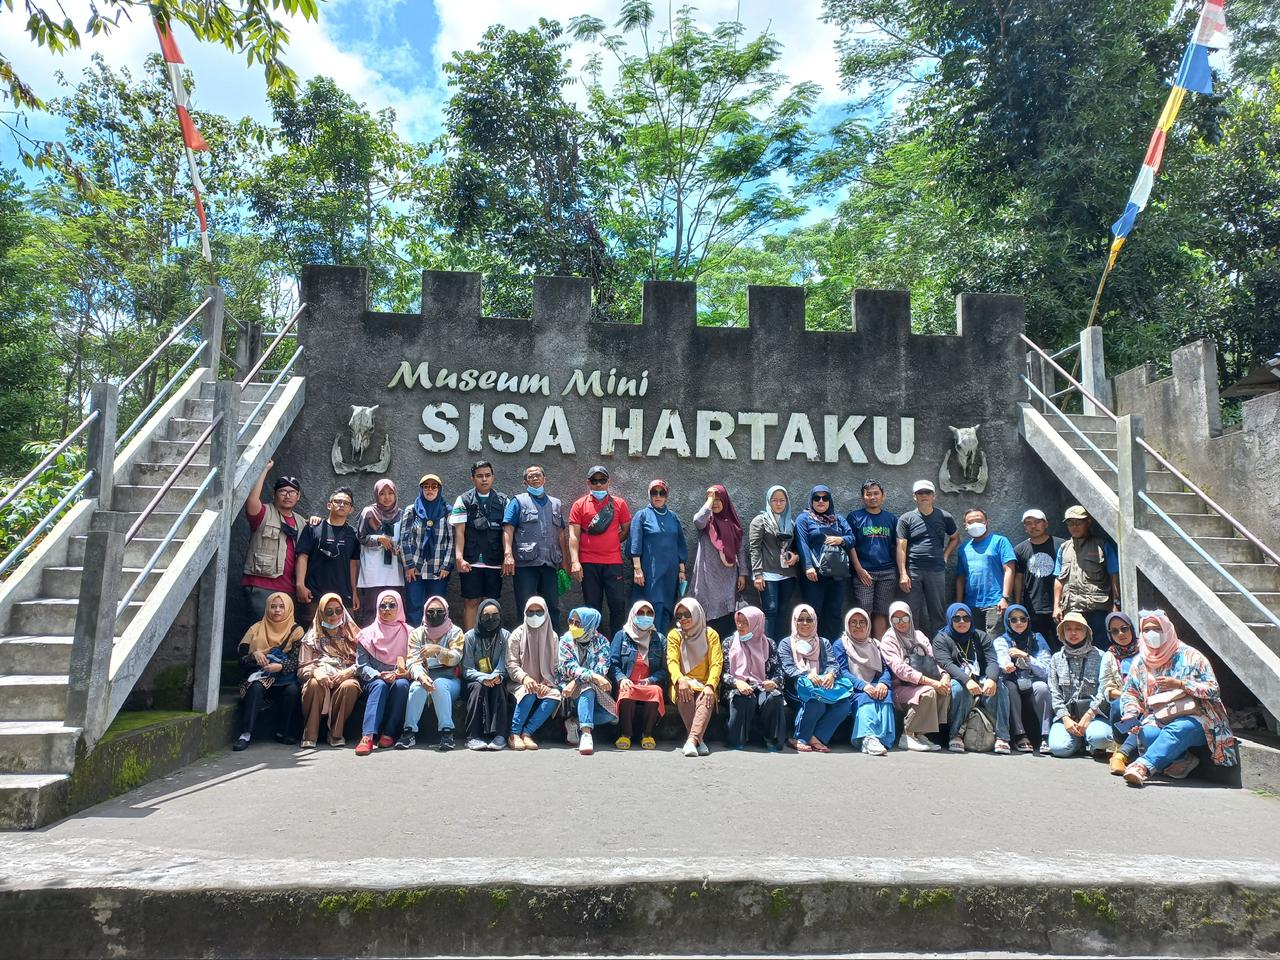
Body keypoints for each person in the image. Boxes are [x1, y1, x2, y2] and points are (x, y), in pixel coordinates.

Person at [1119, 610, 1238, 787]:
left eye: (1157, 629)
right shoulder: (1140, 661)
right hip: (1159, 716)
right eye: (1146, 630)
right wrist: (1130, 714)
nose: (1151, 634)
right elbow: (1130, 693)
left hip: (1198, 717)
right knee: (1146, 733)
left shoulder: (1191, 656)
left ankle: (1142, 766)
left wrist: (1181, 684)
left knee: (1178, 728)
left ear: (1167, 629)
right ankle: (1182, 761)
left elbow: (1213, 690)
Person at [932, 602, 1011, 754]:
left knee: (999, 686)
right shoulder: (941, 638)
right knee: (957, 688)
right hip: (958, 678)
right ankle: (955, 735)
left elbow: (992, 661)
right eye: (956, 618)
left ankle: (1003, 736)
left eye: (966, 618)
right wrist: (967, 680)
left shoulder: (980, 636)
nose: (962, 622)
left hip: (980, 678)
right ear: (949, 619)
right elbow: (947, 664)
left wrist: (992, 679)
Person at [232, 591, 304, 750]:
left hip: (283, 677)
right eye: (273, 606)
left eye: (281, 607)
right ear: (267, 609)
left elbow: (298, 659)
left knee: (292, 691)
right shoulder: (256, 628)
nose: (277, 610)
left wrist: (280, 666)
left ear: (289, 609)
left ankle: (283, 732)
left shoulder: (296, 630)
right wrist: (254, 655)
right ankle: (246, 733)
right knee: (256, 687)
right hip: (260, 676)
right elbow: (241, 658)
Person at [778, 604, 853, 753]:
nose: (805, 623)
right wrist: (807, 674)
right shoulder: (786, 643)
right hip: (796, 688)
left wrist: (831, 675)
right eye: (800, 619)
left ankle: (817, 737)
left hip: (823, 686)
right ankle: (799, 738)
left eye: (809, 620)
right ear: (794, 621)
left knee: (844, 704)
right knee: (815, 702)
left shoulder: (823, 643)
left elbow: (833, 663)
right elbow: (787, 668)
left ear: (815, 621)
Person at [503, 464, 568, 633]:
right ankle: (523, 647)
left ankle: (554, 648)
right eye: (530, 476)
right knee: (526, 607)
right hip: (525, 566)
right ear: (525, 482)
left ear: (544, 479)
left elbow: (561, 534)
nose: (535, 478)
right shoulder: (517, 501)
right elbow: (508, 529)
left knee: (552, 607)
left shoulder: (556, 503)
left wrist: (565, 561)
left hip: (550, 565)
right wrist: (508, 555)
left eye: (538, 475)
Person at [568, 465, 631, 638]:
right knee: (592, 607)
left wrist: (610, 542)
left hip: (613, 563)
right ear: (588, 483)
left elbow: (626, 529)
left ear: (608, 482)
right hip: (588, 564)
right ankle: (596, 644)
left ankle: (617, 644)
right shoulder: (579, 505)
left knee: (617, 604)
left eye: (602, 480)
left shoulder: (619, 504)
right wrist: (575, 561)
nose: (599, 485)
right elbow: (573, 535)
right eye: (594, 481)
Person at [880, 601, 951, 751]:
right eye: (896, 619)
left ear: (911, 617)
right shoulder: (889, 639)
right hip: (900, 687)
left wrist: (944, 676)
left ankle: (920, 734)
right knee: (929, 692)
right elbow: (900, 669)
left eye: (905, 618)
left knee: (945, 691)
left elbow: (933, 659)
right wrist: (932, 682)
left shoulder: (919, 635)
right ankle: (908, 733)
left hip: (925, 682)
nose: (901, 623)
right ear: (891, 621)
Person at [400, 595, 465, 751]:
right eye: (430, 611)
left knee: (439, 685)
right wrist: (421, 677)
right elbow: (412, 661)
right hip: (425, 674)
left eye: (439, 611)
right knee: (416, 687)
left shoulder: (455, 632)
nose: (434, 615)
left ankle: (447, 733)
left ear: (446, 612)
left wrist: (438, 651)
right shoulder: (417, 634)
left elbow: (456, 658)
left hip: (449, 678)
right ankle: (408, 733)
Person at [451, 461, 510, 630]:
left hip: (494, 560)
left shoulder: (503, 500)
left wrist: (507, 556)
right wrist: (459, 558)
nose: (484, 479)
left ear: (493, 477)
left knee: (491, 603)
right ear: (472, 479)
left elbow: (507, 531)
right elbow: (460, 532)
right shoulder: (463, 500)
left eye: (487, 475)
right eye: (479, 476)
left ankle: (489, 641)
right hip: (471, 561)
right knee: (471, 601)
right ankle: (470, 642)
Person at [297, 592, 361, 749]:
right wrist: (315, 672)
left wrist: (350, 671)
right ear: (321, 613)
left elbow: (363, 662)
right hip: (320, 676)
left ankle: (335, 733)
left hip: (344, 675)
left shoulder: (354, 634)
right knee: (313, 684)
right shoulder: (311, 637)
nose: (335, 615)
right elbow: (302, 666)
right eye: (329, 611)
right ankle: (310, 734)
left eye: (338, 610)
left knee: (350, 686)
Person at [1045, 612, 1113, 759]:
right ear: (1062, 633)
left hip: (1095, 716)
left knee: (1100, 738)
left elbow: (1104, 689)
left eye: (1078, 628)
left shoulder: (1101, 656)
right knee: (1059, 748)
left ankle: (1092, 740)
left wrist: (1090, 714)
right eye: (1068, 629)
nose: (1073, 633)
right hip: (1068, 718)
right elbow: (1054, 691)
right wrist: (1065, 718)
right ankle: (1079, 742)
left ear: (1086, 632)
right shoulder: (1056, 659)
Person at [895, 480, 958, 637]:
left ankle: (939, 647)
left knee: (937, 612)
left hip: (936, 570)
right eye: (920, 493)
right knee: (911, 611)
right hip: (913, 570)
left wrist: (945, 555)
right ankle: (913, 648)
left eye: (927, 492)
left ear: (934, 496)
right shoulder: (906, 519)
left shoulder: (945, 516)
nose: (924, 496)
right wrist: (903, 573)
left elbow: (955, 537)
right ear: (914, 496)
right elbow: (901, 547)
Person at [720, 605, 787, 752]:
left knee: (774, 698)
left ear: (756, 623)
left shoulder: (768, 644)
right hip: (736, 687)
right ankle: (735, 739)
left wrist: (773, 683)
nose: (740, 626)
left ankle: (772, 739)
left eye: (746, 622)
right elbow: (723, 674)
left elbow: (779, 674)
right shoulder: (729, 642)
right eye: (738, 621)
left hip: (761, 686)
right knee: (742, 697)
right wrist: (737, 682)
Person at [241, 459, 301, 623]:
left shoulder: (302, 522)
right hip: (261, 585)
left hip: (288, 589)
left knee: (281, 637)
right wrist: (264, 470)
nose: (287, 495)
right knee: (260, 632)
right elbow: (252, 500)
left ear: (298, 496)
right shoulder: (264, 513)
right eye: (282, 491)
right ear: (275, 494)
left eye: (292, 492)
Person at [793, 485, 855, 642]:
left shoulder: (838, 518)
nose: (821, 501)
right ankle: (812, 648)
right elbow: (802, 543)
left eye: (825, 498)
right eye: (817, 498)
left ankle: (831, 648)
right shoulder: (804, 518)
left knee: (834, 612)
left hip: (838, 575)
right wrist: (807, 566)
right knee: (813, 613)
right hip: (815, 575)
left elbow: (852, 538)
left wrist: (841, 539)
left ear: (830, 500)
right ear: (811, 500)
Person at [353, 590, 411, 756]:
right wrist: (379, 674)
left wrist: (402, 673)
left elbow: (414, 662)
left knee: (402, 685)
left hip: (398, 677)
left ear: (399, 607)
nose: (386, 609)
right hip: (373, 680)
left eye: (392, 605)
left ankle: (389, 733)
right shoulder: (366, 634)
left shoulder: (410, 633)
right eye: (382, 605)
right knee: (379, 686)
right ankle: (368, 736)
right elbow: (361, 666)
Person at [1053, 505, 1119, 647]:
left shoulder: (1102, 545)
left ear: (1088, 522)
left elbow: (1114, 574)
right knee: (1074, 648)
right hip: (1072, 610)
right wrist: (1056, 606)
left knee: (1100, 647)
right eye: (1070, 523)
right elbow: (1059, 578)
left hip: (1097, 609)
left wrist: (1116, 603)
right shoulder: (1064, 548)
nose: (1074, 526)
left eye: (1078, 522)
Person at [688, 484, 748, 640]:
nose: (715, 503)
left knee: (726, 617)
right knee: (709, 619)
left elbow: (740, 549)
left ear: (725, 501)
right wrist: (709, 500)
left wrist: (742, 573)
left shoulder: (733, 524)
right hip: (708, 576)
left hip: (728, 577)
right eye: (711, 500)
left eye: (718, 499)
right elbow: (697, 520)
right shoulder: (706, 522)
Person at [833, 607, 895, 756]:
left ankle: (884, 738)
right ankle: (867, 738)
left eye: (862, 622)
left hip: (874, 685)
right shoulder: (841, 645)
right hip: (851, 688)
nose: (858, 626)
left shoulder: (875, 644)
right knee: (865, 697)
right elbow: (842, 672)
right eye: (853, 622)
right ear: (847, 624)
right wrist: (863, 685)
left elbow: (885, 669)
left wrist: (883, 684)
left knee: (885, 695)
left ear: (868, 625)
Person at [629, 479, 688, 635]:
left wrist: (682, 570)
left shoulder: (673, 517)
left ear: (666, 495)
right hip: (650, 573)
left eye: (662, 492)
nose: (658, 496)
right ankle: (649, 649)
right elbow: (635, 543)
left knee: (668, 607)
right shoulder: (641, 516)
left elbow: (680, 543)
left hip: (670, 574)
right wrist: (637, 569)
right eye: (654, 492)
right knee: (651, 607)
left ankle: (662, 647)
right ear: (649, 494)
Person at [294, 487, 359, 626]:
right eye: (338, 501)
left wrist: (354, 592)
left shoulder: (353, 534)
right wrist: (300, 585)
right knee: (310, 634)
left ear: (351, 509)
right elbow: (302, 556)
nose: (342, 505)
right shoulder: (313, 528)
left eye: (346, 503)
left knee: (346, 636)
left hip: (343, 595)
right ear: (329, 505)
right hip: (314, 593)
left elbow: (353, 564)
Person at [666, 597, 723, 758]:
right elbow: (672, 661)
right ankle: (698, 740)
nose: (683, 619)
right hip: (683, 682)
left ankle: (691, 740)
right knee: (684, 692)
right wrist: (680, 679)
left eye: (687, 614)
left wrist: (710, 685)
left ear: (697, 613)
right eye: (679, 616)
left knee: (706, 697)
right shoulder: (674, 635)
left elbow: (716, 663)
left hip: (705, 683)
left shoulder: (710, 634)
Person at [993, 604, 1052, 754]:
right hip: (1013, 680)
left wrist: (1026, 657)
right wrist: (1007, 665)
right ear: (1007, 622)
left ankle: (1046, 735)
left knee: (1042, 687)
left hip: (1032, 681)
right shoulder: (1001, 640)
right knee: (1009, 687)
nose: (1019, 623)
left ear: (1028, 620)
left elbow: (1046, 670)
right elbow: (1001, 657)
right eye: (1013, 620)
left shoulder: (1037, 638)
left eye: (1022, 619)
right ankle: (1020, 735)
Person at [558, 606, 617, 756]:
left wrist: (577, 681)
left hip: (586, 686)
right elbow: (568, 667)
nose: (573, 626)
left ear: (590, 624)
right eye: (571, 621)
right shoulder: (566, 640)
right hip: (567, 689)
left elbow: (601, 670)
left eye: (578, 623)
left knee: (612, 714)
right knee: (587, 688)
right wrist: (589, 678)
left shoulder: (602, 642)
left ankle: (575, 723)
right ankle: (586, 734)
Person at [506, 596, 563, 750]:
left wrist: (548, 683)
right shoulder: (517, 635)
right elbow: (511, 664)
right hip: (520, 683)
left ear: (545, 613)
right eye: (530, 612)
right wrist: (525, 678)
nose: (534, 615)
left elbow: (557, 666)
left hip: (546, 682)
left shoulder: (553, 636)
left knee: (555, 695)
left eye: (539, 611)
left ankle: (527, 733)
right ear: (525, 612)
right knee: (529, 692)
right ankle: (514, 733)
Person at [610, 600, 668, 750]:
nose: (645, 616)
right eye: (640, 613)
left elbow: (663, 669)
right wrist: (621, 678)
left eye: (649, 613)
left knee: (656, 691)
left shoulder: (659, 639)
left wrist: (651, 680)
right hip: (629, 683)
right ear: (633, 615)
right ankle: (625, 734)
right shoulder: (621, 636)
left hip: (647, 684)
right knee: (627, 690)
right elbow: (613, 663)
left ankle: (647, 734)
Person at [399, 474, 453, 628]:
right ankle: (415, 642)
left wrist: (447, 566)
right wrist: (408, 565)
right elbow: (404, 539)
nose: (430, 490)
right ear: (421, 489)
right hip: (415, 569)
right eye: (426, 486)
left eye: (434, 486)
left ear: (439, 489)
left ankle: (435, 642)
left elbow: (451, 540)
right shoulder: (411, 510)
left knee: (436, 609)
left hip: (438, 569)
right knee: (414, 607)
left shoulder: (447, 511)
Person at [847, 479, 899, 639]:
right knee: (864, 611)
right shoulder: (855, 517)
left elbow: (897, 547)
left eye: (876, 493)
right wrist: (858, 569)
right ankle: (864, 644)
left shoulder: (891, 519)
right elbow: (850, 545)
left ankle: (880, 648)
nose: (872, 497)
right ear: (863, 497)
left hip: (887, 572)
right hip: (864, 572)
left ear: (883, 496)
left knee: (882, 612)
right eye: (868, 494)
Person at [749, 485, 800, 644]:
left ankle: (780, 648)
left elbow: (796, 547)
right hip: (768, 573)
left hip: (787, 574)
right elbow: (754, 548)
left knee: (784, 611)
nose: (778, 504)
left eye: (782, 500)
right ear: (769, 501)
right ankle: (768, 647)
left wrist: (795, 557)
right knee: (771, 610)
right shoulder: (760, 521)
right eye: (775, 500)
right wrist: (758, 574)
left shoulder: (790, 522)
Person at [954, 507, 1016, 633]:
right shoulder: (963, 548)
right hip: (970, 605)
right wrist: (959, 604)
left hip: (995, 603)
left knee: (994, 642)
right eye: (970, 522)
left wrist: (1005, 598)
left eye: (979, 520)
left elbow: (1009, 570)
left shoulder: (1000, 541)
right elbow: (960, 578)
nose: (975, 524)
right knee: (975, 641)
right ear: (965, 525)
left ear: (987, 522)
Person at [462, 597, 509, 750]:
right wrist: (483, 678)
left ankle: (500, 736)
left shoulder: (505, 636)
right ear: (479, 616)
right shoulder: (470, 637)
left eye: (495, 615)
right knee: (477, 688)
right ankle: (473, 737)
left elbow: (504, 663)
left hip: (497, 678)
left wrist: (496, 676)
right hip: (475, 680)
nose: (491, 619)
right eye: (486, 615)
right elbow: (467, 668)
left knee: (499, 686)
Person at [355, 479, 405, 626]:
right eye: (382, 493)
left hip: (394, 571)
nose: (387, 497)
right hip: (374, 571)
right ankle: (369, 645)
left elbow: (404, 538)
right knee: (372, 609)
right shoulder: (369, 512)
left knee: (394, 609)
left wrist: (399, 549)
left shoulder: (401, 514)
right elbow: (361, 537)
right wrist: (379, 539)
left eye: (390, 493)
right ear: (376, 495)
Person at [1013, 508, 1064, 648]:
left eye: (1037, 522)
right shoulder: (1020, 549)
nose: (1033, 526)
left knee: (1062, 644)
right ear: (1024, 527)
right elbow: (1018, 578)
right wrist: (1018, 604)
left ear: (1046, 524)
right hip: (1033, 607)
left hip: (1059, 607)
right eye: (1028, 523)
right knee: (1038, 647)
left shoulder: (1061, 545)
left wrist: (1059, 604)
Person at [1099, 611, 1142, 774]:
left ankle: (1130, 751)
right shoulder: (1110, 655)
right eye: (1115, 631)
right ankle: (1120, 746)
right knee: (1118, 705)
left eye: (1124, 628)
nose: (1121, 634)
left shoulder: (1145, 649)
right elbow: (1106, 687)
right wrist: (1127, 695)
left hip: (1147, 698)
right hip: (1123, 697)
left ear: (1131, 628)